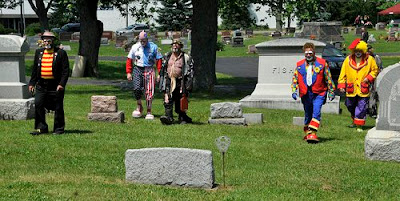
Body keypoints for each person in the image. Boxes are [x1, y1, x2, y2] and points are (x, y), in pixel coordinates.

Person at [291, 42, 336, 143]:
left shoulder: (322, 63)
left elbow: (328, 78)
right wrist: (294, 90)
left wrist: (331, 90)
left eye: (310, 53)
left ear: (314, 53)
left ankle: (312, 134)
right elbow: (295, 78)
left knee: (316, 112)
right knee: (308, 114)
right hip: (306, 94)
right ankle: (308, 133)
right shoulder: (299, 65)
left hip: (319, 93)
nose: (308, 55)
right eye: (306, 53)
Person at [29, 31, 69, 135]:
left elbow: (65, 71)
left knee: (58, 107)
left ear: (53, 41)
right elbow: (34, 70)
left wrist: (61, 84)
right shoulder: (39, 52)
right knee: (38, 103)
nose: (47, 42)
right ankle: (42, 128)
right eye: (45, 40)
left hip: (55, 85)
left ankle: (59, 129)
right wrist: (31, 83)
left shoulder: (60, 53)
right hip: (41, 84)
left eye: (49, 40)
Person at [338, 38, 379, 132]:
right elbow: (342, 73)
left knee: (361, 106)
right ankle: (354, 118)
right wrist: (341, 86)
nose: (358, 53)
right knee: (349, 105)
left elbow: (375, 70)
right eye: (356, 51)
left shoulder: (370, 59)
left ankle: (359, 125)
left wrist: (368, 78)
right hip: (351, 88)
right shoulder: (347, 60)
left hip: (363, 88)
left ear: (363, 50)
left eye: (360, 51)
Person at [126, 31, 163, 120]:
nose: (143, 42)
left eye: (144, 40)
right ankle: (139, 106)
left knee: (149, 91)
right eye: (141, 40)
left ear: (147, 39)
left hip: (149, 69)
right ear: (139, 39)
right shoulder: (135, 47)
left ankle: (149, 111)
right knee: (137, 88)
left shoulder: (153, 47)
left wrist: (159, 73)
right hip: (137, 68)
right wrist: (128, 72)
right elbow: (129, 59)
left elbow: (159, 60)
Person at [159, 39, 194, 125]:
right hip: (169, 80)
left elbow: (191, 71)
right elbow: (163, 69)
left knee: (180, 100)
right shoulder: (167, 56)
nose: (175, 46)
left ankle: (182, 117)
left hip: (181, 81)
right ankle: (169, 117)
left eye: (177, 44)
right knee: (167, 99)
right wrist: (161, 77)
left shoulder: (186, 57)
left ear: (180, 46)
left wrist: (188, 83)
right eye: (173, 44)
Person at [366, 44, 383, 118]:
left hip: (375, 78)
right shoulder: (365, 58)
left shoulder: (376, 57)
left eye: (370, 49)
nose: (369, 51)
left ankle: (373, 111)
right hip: (366, 78)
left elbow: (380, 68)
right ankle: (368, 110)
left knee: (374, 94)